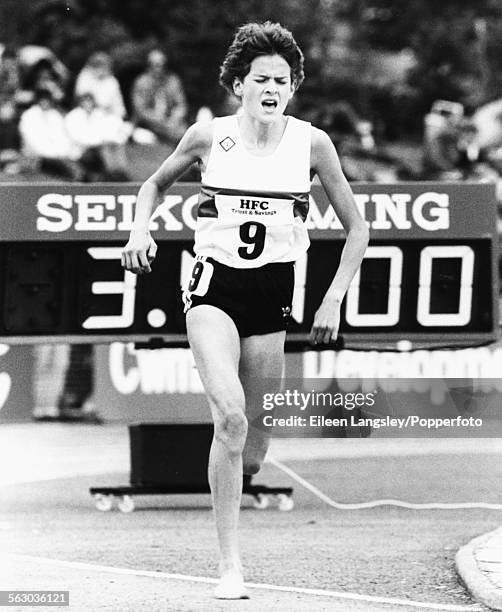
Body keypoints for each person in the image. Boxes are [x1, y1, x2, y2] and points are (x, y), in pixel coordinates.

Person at [122, 22, 368, 600]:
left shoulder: (311, 145)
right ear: (239, 85)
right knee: (229, 418)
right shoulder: (210, 137)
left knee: (253, 444)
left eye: (282, 80)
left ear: (293, 88)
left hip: (272, 297)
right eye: (261, 78)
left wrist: (332, 297)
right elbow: (152, 187)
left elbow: (357, 227)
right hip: (212, 288)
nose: (272, 87)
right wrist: (140, 229)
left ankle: (245, 463)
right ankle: (229, 565)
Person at [131, 48, 187, 145]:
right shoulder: (141, 82)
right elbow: (140, 110)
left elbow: (181, 105)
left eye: (162, 65)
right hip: (148, 124)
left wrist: (175, 117)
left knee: (185, 132)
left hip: (171, 122)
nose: (160, 69)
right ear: (149, 66)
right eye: (156, 65)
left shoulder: (173, 80)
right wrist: (159, 119)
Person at [74, 51, 126, 119]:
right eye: (98, 66)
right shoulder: (84, 77)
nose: (102, 70)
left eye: (105, 67)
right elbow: (83, 99)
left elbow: (118, 105)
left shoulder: (112, 81)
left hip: (108, 116)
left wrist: (119, 114)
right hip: (86, 114)